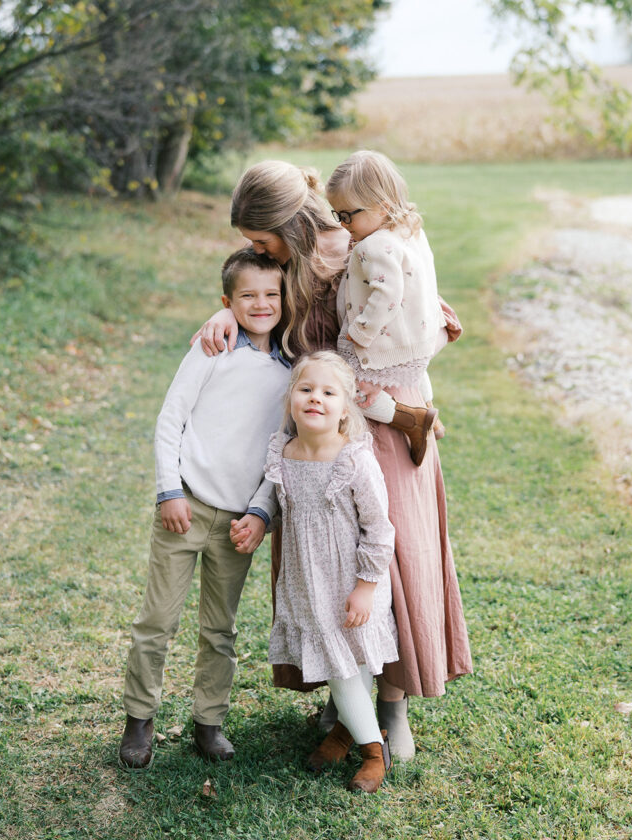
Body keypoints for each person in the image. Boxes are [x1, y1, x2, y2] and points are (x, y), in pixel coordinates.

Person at [194, 159, 472, 762]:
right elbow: (251, 300)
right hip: (316, 436)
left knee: (390, 558)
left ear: (290, 224)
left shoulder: (361, 244)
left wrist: (403, 396)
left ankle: (392, 702)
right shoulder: (280, 266)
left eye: (259, 238)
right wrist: (223, 313)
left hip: (382, 421)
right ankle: (345, 694)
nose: (253, 248)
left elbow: (422, 308)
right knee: (325, 566)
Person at [118, 249, 291, 769]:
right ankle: (139, 720)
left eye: (271, 294)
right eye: (248, 296)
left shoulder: (290, 367)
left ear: (285, 299)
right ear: (227, 302)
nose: (261, 304)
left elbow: (283, 449)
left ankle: (208, 723)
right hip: (187, 506)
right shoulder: (212, 349)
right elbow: (171, 419)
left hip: (239, 521)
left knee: (221, 629)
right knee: (157, 620)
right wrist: (169, 490)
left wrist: (261, 513)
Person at [235, 351, 397, 793]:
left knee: (348, 666)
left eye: (329, 392)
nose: (316, 399)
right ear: (291, 399)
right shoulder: (283, 451)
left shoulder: (354, 460)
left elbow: (380, 530)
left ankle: (372, 752)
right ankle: (347, 732)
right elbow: (273, 497)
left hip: (352, 580)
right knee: (345, 661)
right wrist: (257, 517)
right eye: (306, 389)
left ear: (346, 408)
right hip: (308, 581)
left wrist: (365, 587)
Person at [325, 149, 447, 466]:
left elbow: (387, 294)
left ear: (384, 206)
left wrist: (360, 330)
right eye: (337, 214)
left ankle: (413, 420)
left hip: (383, 337)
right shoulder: (409, 231)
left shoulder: (372, 246)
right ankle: (432, 410)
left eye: (349, 215)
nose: (343, 223)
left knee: (349, 390)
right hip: (419, 334)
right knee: (414, 368)